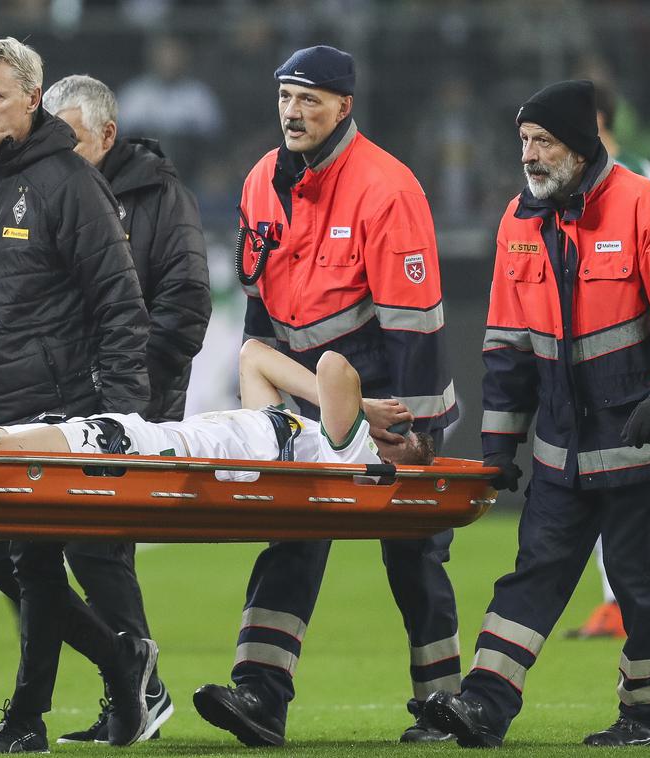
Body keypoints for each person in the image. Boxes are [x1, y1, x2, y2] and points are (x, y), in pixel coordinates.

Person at [423, 79, 650, 749]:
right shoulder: (518, 222)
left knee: (646, 592)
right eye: (524, 142)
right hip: (566, 450)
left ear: (582, 149)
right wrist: (499, 448)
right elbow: (506, 349)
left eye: (545, 143)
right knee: (531, 577)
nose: (530, 156)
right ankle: (481, 706)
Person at [193, 45, 460, 747]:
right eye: (286, 97)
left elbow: (416, 326)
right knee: (293, 536)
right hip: (309, 391)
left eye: (310, 99)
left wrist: (417, 432)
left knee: (412, 550)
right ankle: (260, 694)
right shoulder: (261, 181)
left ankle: (442, 705)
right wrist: (269, 403)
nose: (293, 111)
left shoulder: (386, 188)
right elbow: (257, 304)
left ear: (345, 106)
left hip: (394, 392)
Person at [0, 38, 155, 754]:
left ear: (32, 98)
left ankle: (27, 716)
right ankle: (123, 668)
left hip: (51, 409)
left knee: (29, 561)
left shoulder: (69, 182)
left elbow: (120, 304)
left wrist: (119, 415)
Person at [6, 72, 211, 744]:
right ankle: (130, 684)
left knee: (92, 550)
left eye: (71, 139)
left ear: (108, 136)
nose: (58, 151)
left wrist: (121, 390)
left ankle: (133, 688)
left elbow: (184, 310)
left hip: (127, 407)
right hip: (57, 404)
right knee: (16, 554)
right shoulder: (47, 190)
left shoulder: (158, 197)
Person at [0, 339, 433, 480]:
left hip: (164, 451)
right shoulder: (303, 435)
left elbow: (334, 368)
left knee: (40, 440)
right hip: (163, 443)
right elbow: (253, 357)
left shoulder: (351, 460)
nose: (394, 430)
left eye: (402, 435)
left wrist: (362, 410)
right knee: (32, 436)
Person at [566, 81, 650, 641]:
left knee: (626, 477)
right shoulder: (563, 177)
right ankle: (617, 601)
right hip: (583, 349)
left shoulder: (638, 173)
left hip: (629, 347)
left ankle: (629, 599)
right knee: (596, 478)